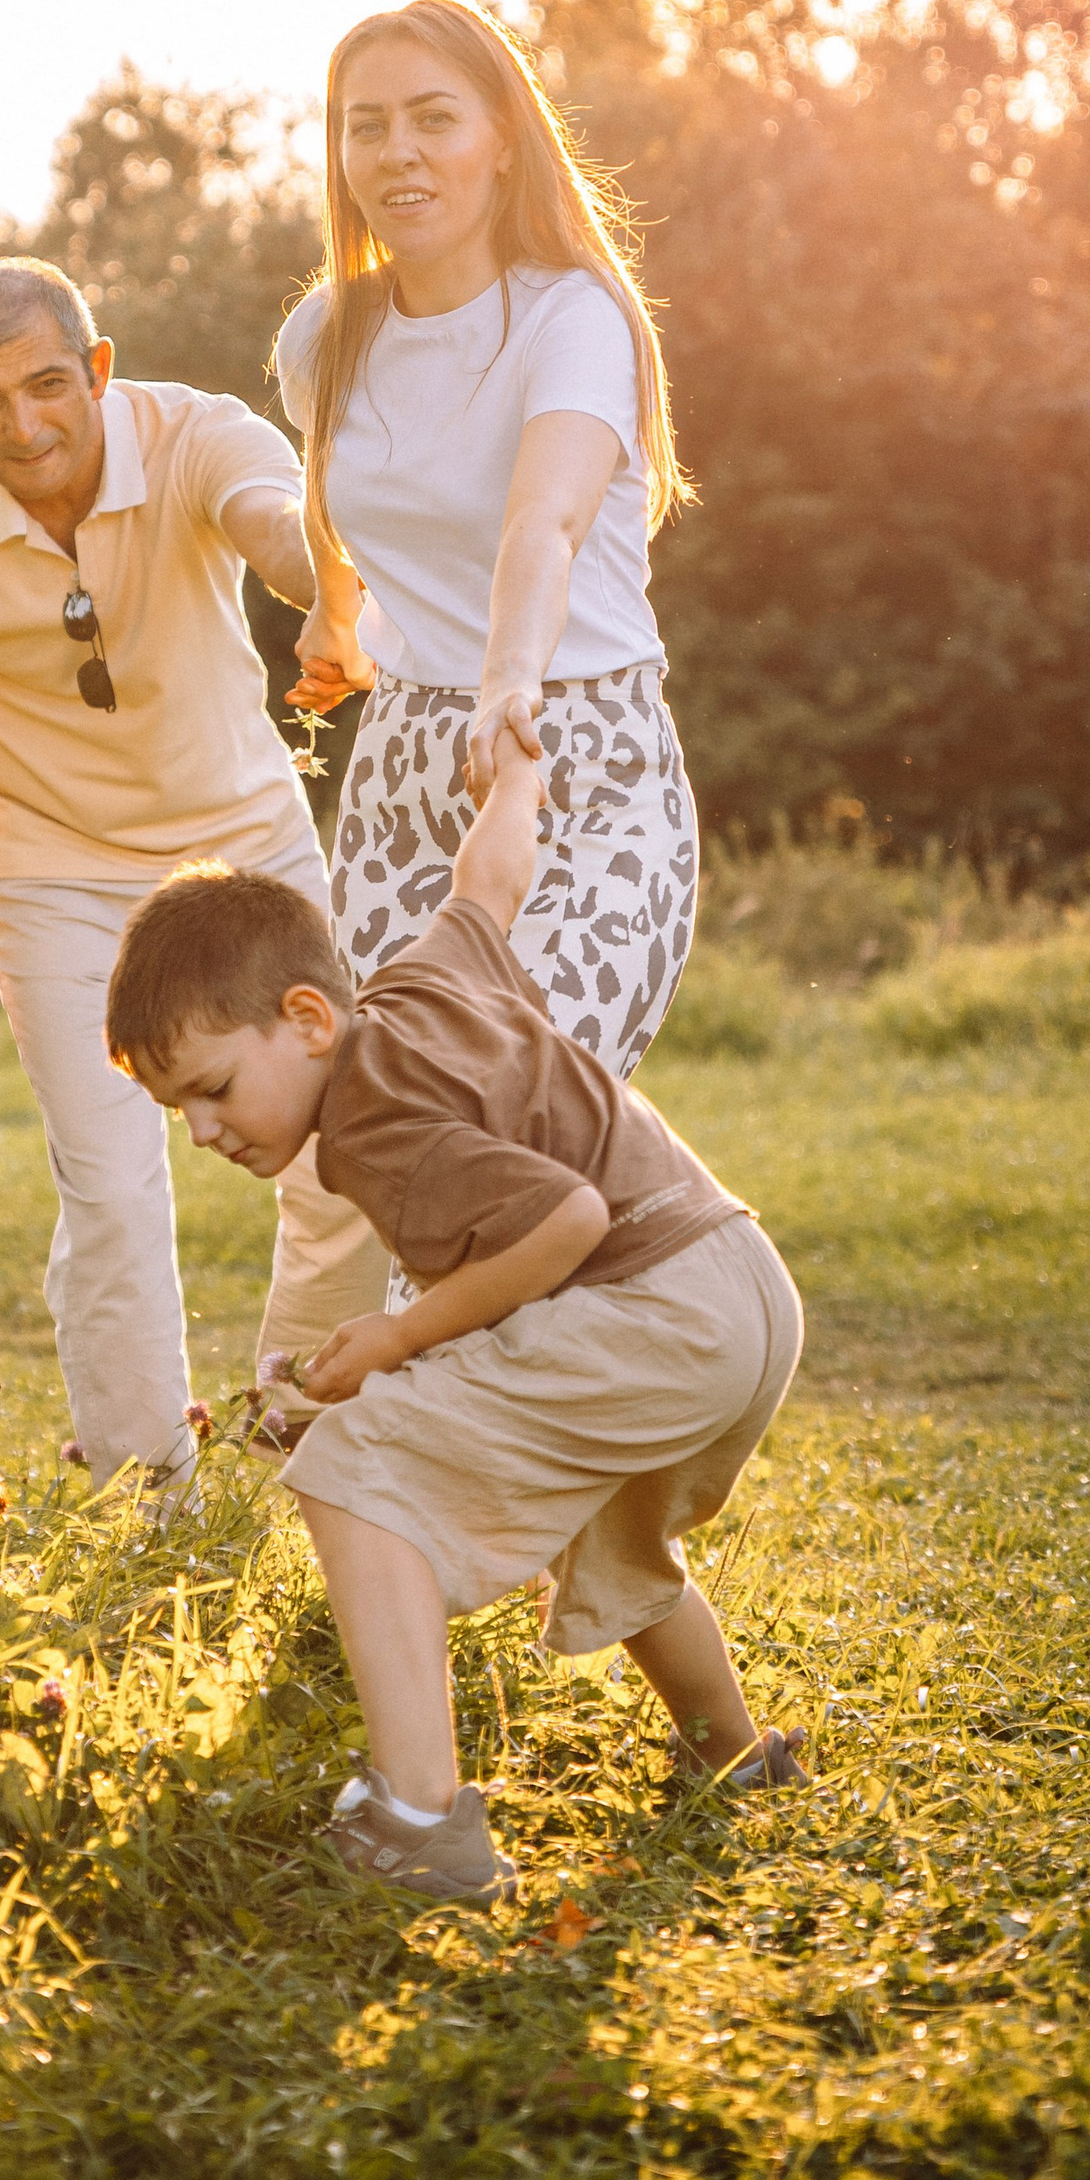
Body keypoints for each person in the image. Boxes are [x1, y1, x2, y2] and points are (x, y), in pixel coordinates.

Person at [105, 728, 805, 1907]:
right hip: (738, 1283)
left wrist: (392, 1341)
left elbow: (566, 1223)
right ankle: (734, 1755)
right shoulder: (420, 981)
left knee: (349, 1473)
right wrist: (517, 778)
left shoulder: (371, 1122)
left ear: (308, 1019)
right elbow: (488, 881)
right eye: (181, 1113)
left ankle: (420, 1816)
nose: (206, 1133)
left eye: (214, 1089)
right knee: (608, 1535)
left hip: (648, 1301)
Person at [0, 257, 384, 1487]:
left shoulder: (193, 437)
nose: (21, 427)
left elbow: (279, 530)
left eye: (44, 387)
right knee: (116, 1195)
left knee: (346, 1140)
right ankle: (146, 1505)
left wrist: (330, 601)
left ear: (99, 372)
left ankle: (306, 1438)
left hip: (244, 836)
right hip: (52, 870)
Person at [256, 0, 704, 1396]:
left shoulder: (572, 315)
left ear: (502, 138)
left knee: (517, 1123)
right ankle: (421, 1481)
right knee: (398, 1136)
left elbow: (542, 525)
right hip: (403, 774)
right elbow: (356, 521)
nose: (397, 152)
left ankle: (539, 1457)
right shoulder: (321, 340)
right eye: (365, 124)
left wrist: (508, 677)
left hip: (577, 751)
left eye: (433, 118)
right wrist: (342, 620)